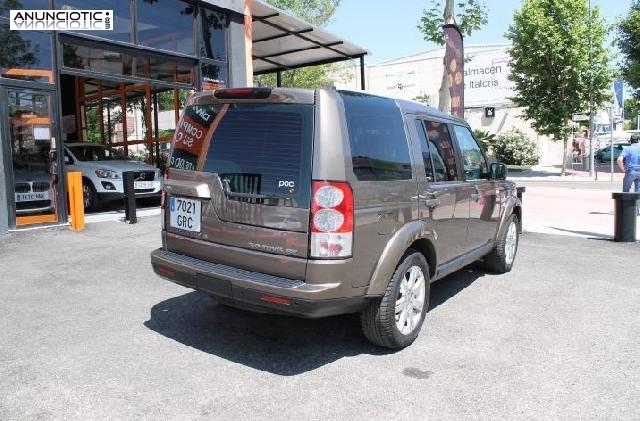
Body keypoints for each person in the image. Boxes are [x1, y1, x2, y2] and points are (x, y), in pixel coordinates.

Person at [617, 134, 640, 215]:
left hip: (630, 171)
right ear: (638, 140)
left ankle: (626, 209)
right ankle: (637, 210)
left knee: (626, 190)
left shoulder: (627, 149)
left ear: (630, 140)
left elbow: (619, 160)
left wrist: (623, 169)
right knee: (638, 191)